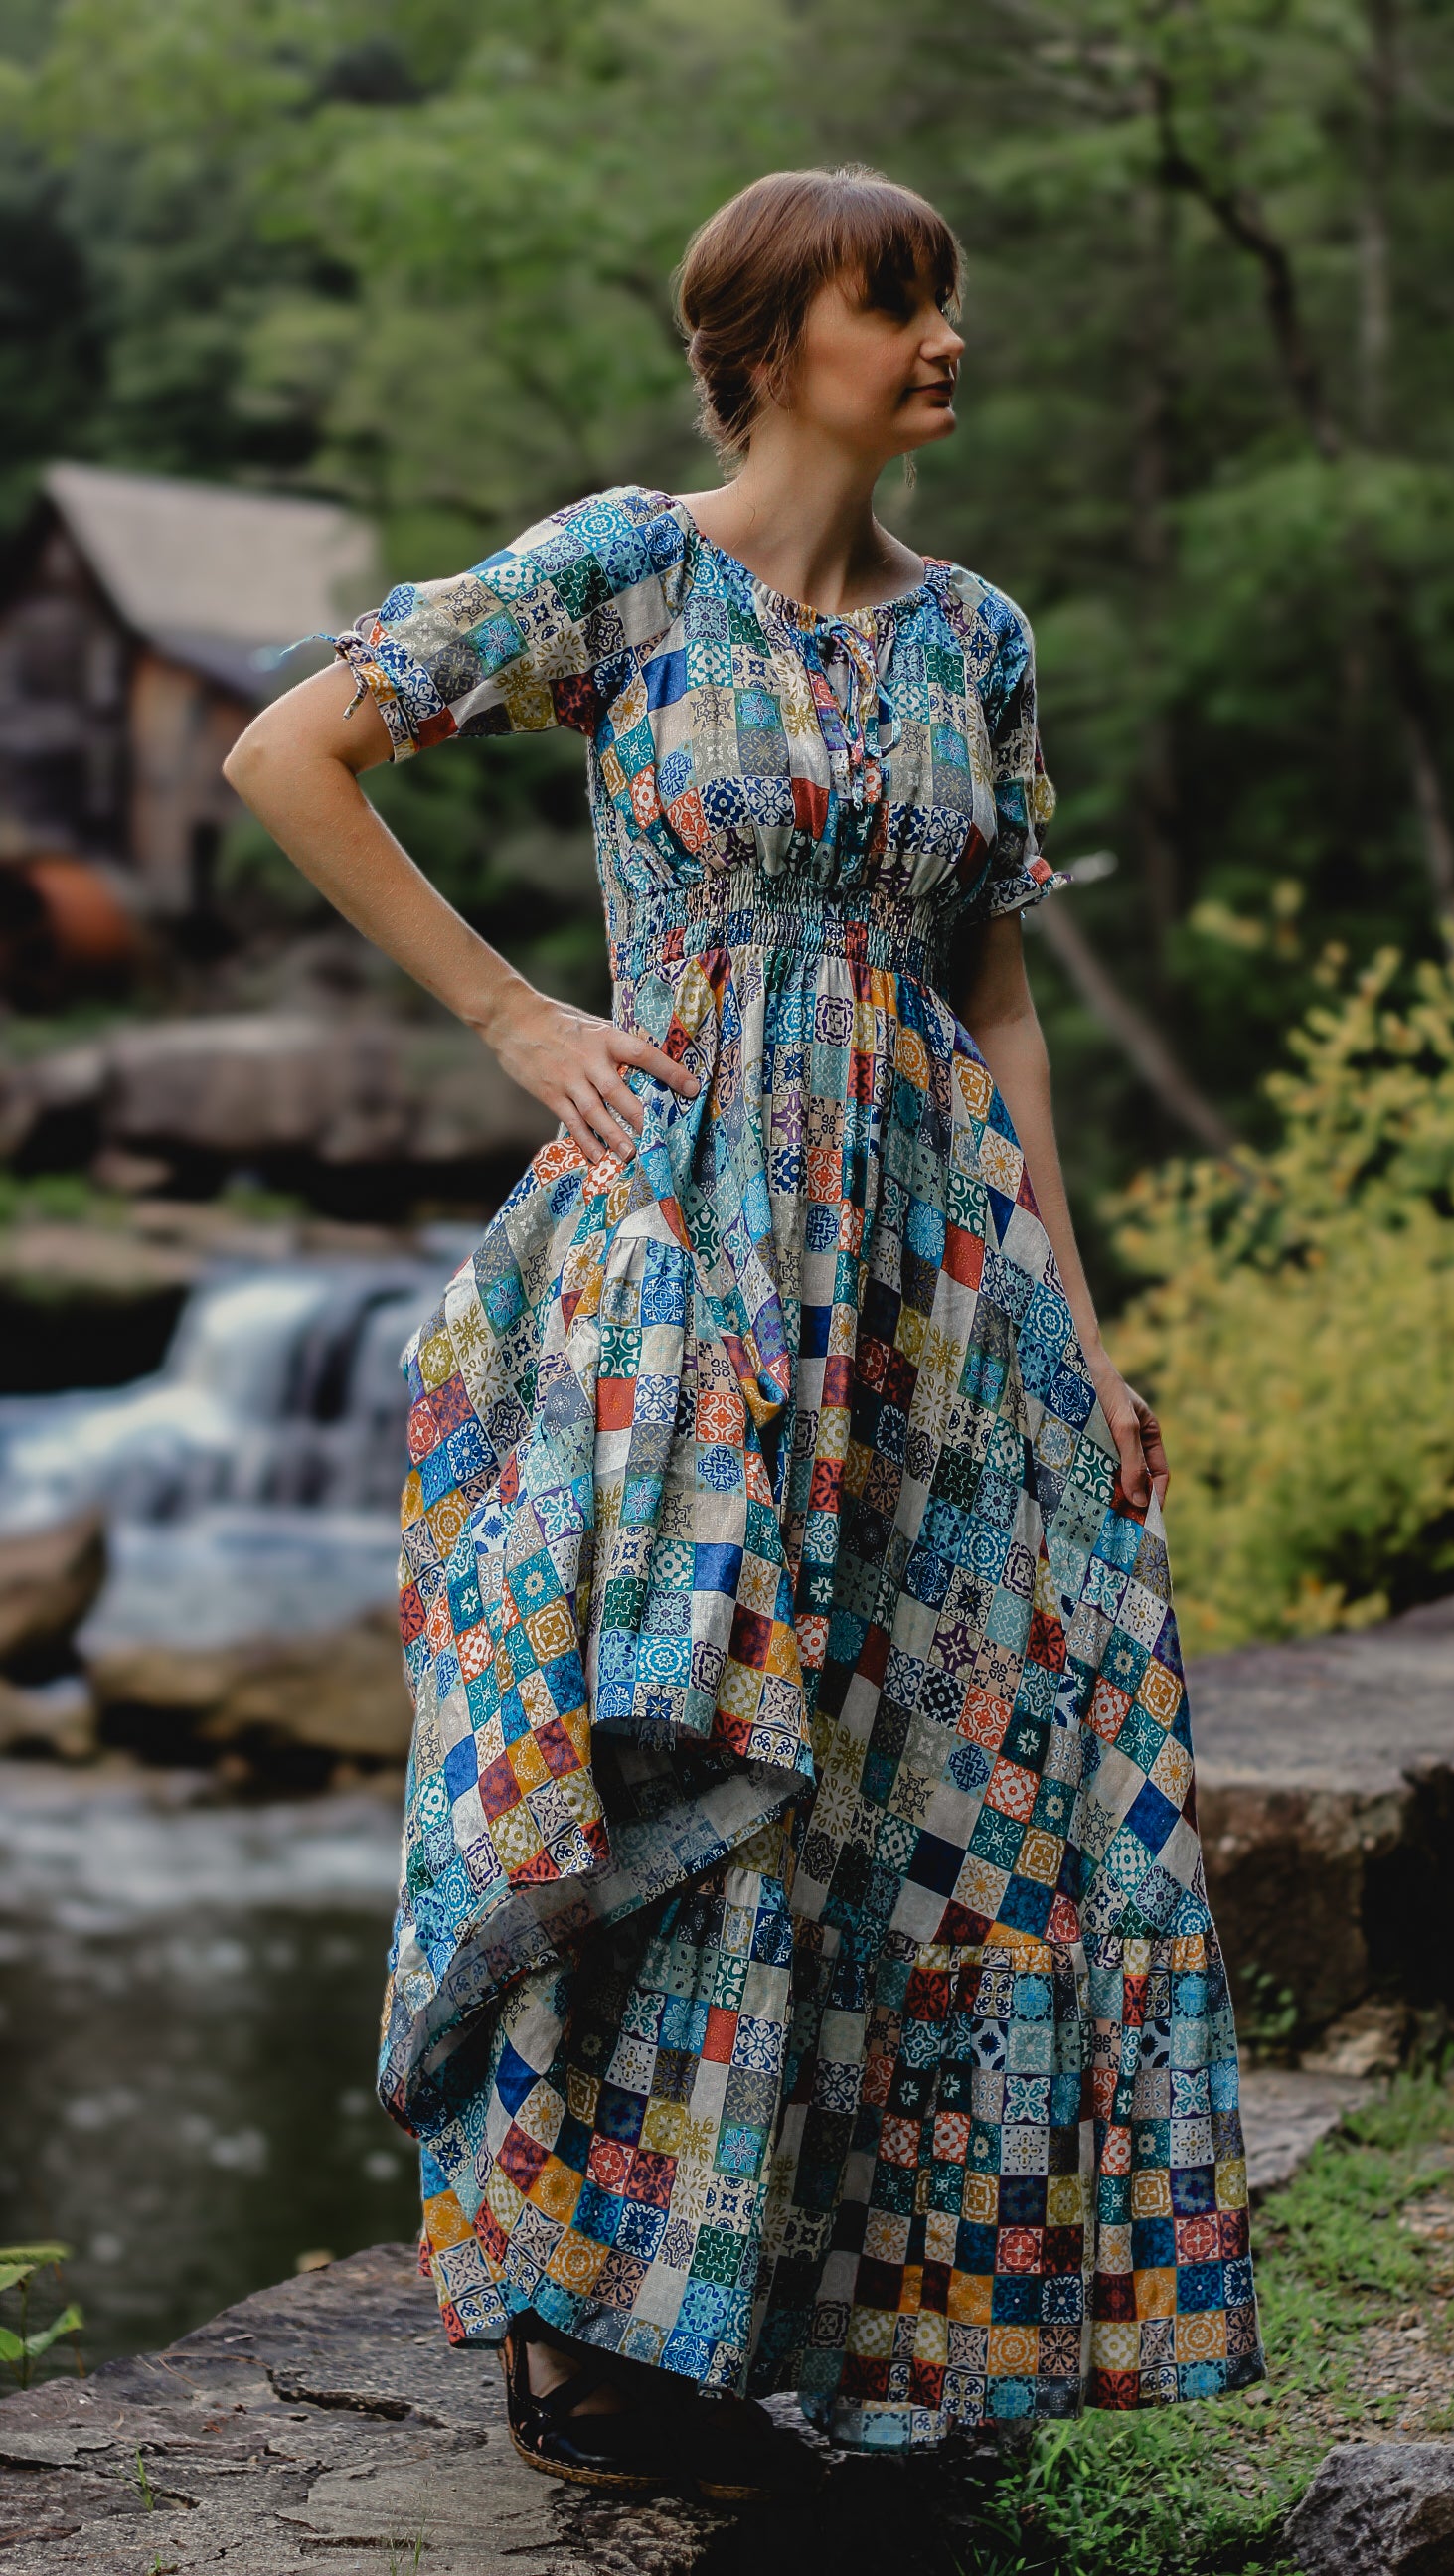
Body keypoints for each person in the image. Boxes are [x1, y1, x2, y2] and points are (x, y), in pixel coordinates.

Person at [225, 163, 1261, 2498]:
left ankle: (825, 2319)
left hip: (925, 1272)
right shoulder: (621, 572)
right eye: (899, 300)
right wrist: (511, 1021)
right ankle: (584, 2326)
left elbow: (995, 996)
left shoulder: (976, 635)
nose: (942, 337)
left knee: (914, 1780)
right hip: (684, 1247)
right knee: (667, 1742)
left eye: (946, 300)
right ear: (777, 334)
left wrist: (1078, 1336)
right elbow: (288, 750)